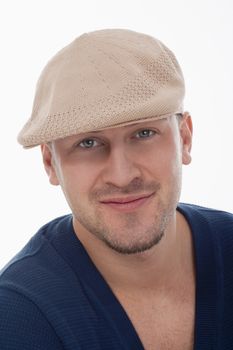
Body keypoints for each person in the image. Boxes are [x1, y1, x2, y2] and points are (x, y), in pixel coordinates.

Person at [0, 28, 232, 350]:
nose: (122, 176)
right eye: (88, 142)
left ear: (185, 138)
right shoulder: (19, 316)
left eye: (144, 133)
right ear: (50, 163)